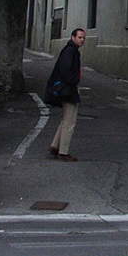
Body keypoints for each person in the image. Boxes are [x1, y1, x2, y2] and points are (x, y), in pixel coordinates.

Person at [47, 28, 85, 161]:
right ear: (73, 37)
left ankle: (55, 146)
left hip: (66, 89)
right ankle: (63, 152)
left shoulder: (70, 51)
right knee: (70, 121)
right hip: (68, 90)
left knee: (65, 120)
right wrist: (74, 81)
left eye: (83, 38)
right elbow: (66, 70)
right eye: (79, 37)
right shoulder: (70, 52)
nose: (82, 40)